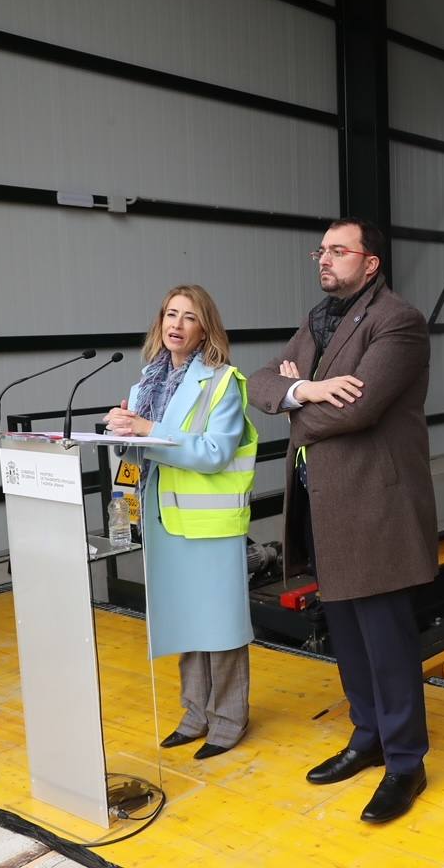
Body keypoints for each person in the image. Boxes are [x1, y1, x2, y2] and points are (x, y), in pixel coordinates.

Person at [247, 217, 437, 824]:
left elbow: (359, 410)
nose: (323, 259)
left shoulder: (397, 322)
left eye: (337, 250)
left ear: (370, 262)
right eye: (320, 251)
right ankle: (368, 735)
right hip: (323, 502)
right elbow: (257, 383)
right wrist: (306, 391)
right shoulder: (316, 321)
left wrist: (296, 396)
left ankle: (407, 761)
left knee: (386, 636)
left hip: (373, 503)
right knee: (347, 631)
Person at [104, 285, 258, 760]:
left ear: (205, 328)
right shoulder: (143, 384)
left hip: (209, 524)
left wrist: (149, 430)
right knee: (187, 621)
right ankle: (194, 714)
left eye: (189, 317)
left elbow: (215, 452)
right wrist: (117, 431)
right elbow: (136, 456)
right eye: (171, 315)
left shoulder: (222, 382)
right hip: (162, 517)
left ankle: (229, 720)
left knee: (221, 624)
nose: (176, 324)